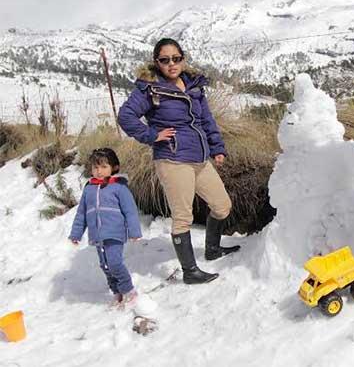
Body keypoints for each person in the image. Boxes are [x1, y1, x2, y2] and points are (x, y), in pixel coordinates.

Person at [118, 38, 239, 285]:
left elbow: (207, 120)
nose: (171, 64)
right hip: (172, 159)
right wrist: (152, 136)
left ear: (183, 58)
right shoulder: (150, 89)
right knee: (182, 216)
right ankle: (190, 271)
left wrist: (217, 148)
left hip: (199, 157)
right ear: (157, 63)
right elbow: (126, 116)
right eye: (165, 60)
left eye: (176, 58)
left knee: (222, 205)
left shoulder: (194, 86)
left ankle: (212, 249)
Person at [69, 148, 142, 308]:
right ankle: (117, 293)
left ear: (114, 167)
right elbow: (81, 213)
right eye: (95, 167)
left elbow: (130, 211)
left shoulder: (119, 188)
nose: (99, 171)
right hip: (97, 235)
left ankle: (129, 290)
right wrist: (76, 234)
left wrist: (134, 231)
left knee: (115, 263)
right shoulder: (89, 189)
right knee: (105, 265)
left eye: (103, 167)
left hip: (114, 233)